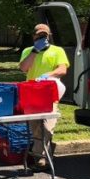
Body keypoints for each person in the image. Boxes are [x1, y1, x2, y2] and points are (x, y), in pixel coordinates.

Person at [18, 23, 69, 169]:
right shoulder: (28, 51)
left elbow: (62, 69)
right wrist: (35, 51)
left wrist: (49, 75)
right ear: (34, 36)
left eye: (44, 36)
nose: (41, 38)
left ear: (49, 36)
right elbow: (23, 68)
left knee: (47, 126)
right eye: (39, 35)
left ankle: (39, 156)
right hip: (31, 94)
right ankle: (44, 153)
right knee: (35, 127)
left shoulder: (57, 51)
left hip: (49, 93)